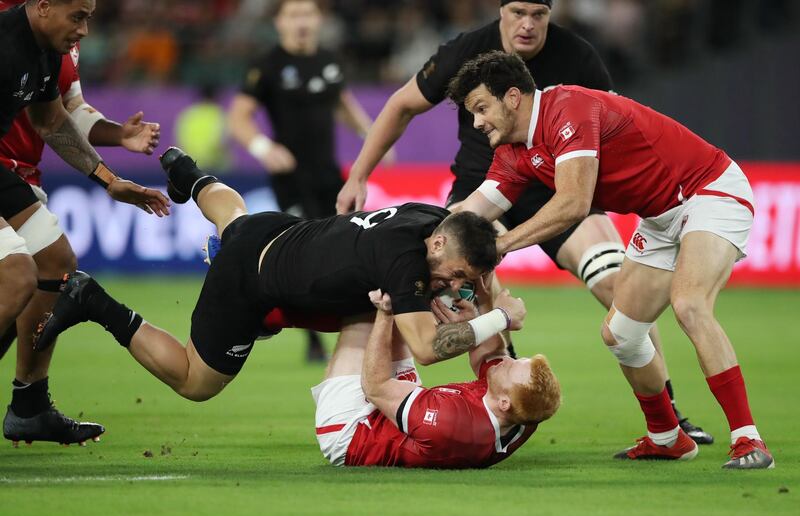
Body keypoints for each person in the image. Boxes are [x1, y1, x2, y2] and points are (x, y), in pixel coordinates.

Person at [335, 0, 711, 443]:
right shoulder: (467, 51)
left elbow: (613, 129)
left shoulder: (579, 57)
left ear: (552, 15)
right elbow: (401, 105)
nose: (527, 25)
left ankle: (666, 415)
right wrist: (359, 174)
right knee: (474, 289)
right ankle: (503, 410)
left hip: (559, 193)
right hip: (485, 191)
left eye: (539, 14)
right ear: (500, 11)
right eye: (517, 12)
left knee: (617, 288)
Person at [447, 50, 772, 469]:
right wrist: (414, 237)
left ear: (512, 97)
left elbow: (573, 203)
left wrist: (502, 245)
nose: (476, 122)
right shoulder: (514, 151)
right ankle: (667, 437)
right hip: (660, 218)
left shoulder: (569, 108)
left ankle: (748, 440)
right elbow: (470, 213)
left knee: (690, 304)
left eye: (480, 108)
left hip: (708, 191)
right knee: (621, 333)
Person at [34, 147, 525, 406]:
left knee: (235, 221)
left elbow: (474, 236)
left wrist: (484, 288)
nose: (451, 285)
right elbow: (426, 348)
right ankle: (92, 300)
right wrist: (497, 318)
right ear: (437, 245)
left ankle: (189, 176)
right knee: (194, 382)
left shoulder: (430, 218)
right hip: (249, 280)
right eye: (452, 275)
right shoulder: (405, 262)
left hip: (284, 233)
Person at [0, 0, 169, 446]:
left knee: (56, 262)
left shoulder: (44, 49)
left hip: (9, 171)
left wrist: (109, 180)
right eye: (78, 16)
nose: (86, 30)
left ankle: (30, 405)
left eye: (89, 16)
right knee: (17, 275)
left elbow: (50, 119)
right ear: (42, 8)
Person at [228, 0, 384, 363]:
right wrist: (262, 146)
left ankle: (356, 327)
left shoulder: (328, 60)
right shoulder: (267, 64)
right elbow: (239, 117)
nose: (301, 22)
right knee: (308, 254)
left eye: (307, 14)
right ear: (280, 23)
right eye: (293, 15)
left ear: (318, 20)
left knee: (350, 245)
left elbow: (342, 102)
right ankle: (312, 340)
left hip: (330, 176)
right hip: (291, 179)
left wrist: (373, 135)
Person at [313, 286, 561, 468]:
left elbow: (375, 387)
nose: (507, 360)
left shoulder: (451, 420)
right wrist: (479, 312)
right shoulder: (526, 409)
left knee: (363, 317)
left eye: (510, 367)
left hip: (353, 431)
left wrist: (384, 315)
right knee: (404, 305)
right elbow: (492, 354)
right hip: (405, 413)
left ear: (504, 402)